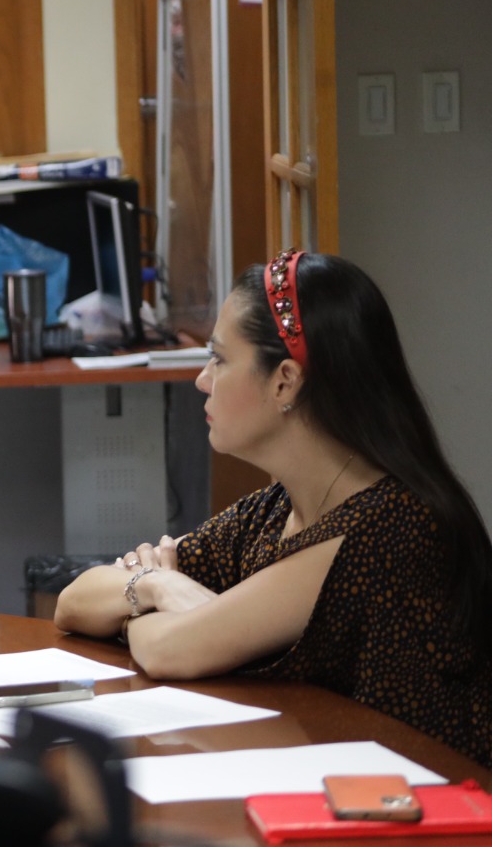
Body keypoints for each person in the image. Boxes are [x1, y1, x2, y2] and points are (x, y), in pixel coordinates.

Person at [54, 252, 492, 766]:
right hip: (330, 780)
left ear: (284, 380)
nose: (202, 380)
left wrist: (141, 607)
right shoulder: (275, 509)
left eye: (219, 359)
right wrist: (155, 587)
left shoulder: (386, 526)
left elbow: (168, 650)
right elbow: (73, 602)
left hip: (433, 804)